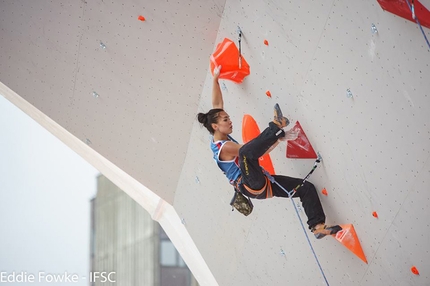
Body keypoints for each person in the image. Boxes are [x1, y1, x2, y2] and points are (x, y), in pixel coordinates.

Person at [197, 66, 341, 239]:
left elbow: (217, 106)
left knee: (305, 188)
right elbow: (249, 151)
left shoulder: (219, 133)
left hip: (260, 183)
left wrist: (215, 80)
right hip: (249, 183)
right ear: (215, 126)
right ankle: (275, 124)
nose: (230, 121)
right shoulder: (224, 148)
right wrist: (275, 134)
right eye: (226, 119)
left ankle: (317, 226)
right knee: (245, 152)